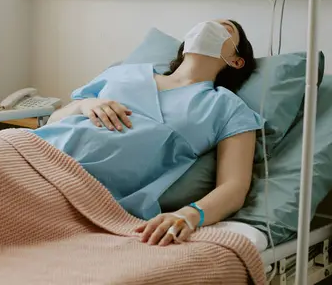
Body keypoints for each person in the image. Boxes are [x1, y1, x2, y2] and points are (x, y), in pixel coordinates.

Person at [32, 19, 261, 247]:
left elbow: (234, 186)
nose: (210, 26)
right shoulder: (123, 72)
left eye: (226, 28)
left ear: (236, 61)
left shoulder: (227, 107)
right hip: (31, 154)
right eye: (205, 23)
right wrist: (84, 105)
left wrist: (189, 215)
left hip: (80, 194)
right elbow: (53, 120)